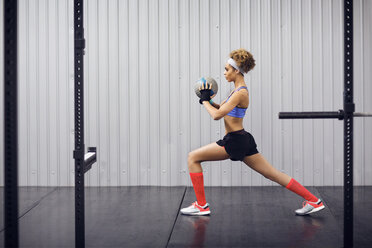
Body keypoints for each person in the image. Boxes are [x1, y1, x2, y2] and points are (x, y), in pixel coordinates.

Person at [180, 48, 325, 216]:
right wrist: (209, 100)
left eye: (227, 69)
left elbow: (217, 116)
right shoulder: (237, 91)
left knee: (193, 157)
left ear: (236, 70)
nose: (224, 73)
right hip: (242, 139)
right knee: (272, 174)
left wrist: (205, 101)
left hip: (234, 141)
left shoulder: (240, 93)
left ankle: (201, 205)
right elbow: (222, 108)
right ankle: (313, 200)